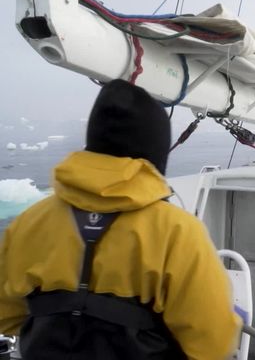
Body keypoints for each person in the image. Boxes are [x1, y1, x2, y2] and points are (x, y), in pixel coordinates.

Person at [0, 80, 240, 359]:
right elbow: (213, 341)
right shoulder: (178, 233)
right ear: (155, 150)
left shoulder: (29, 223)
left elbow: (7, 317)